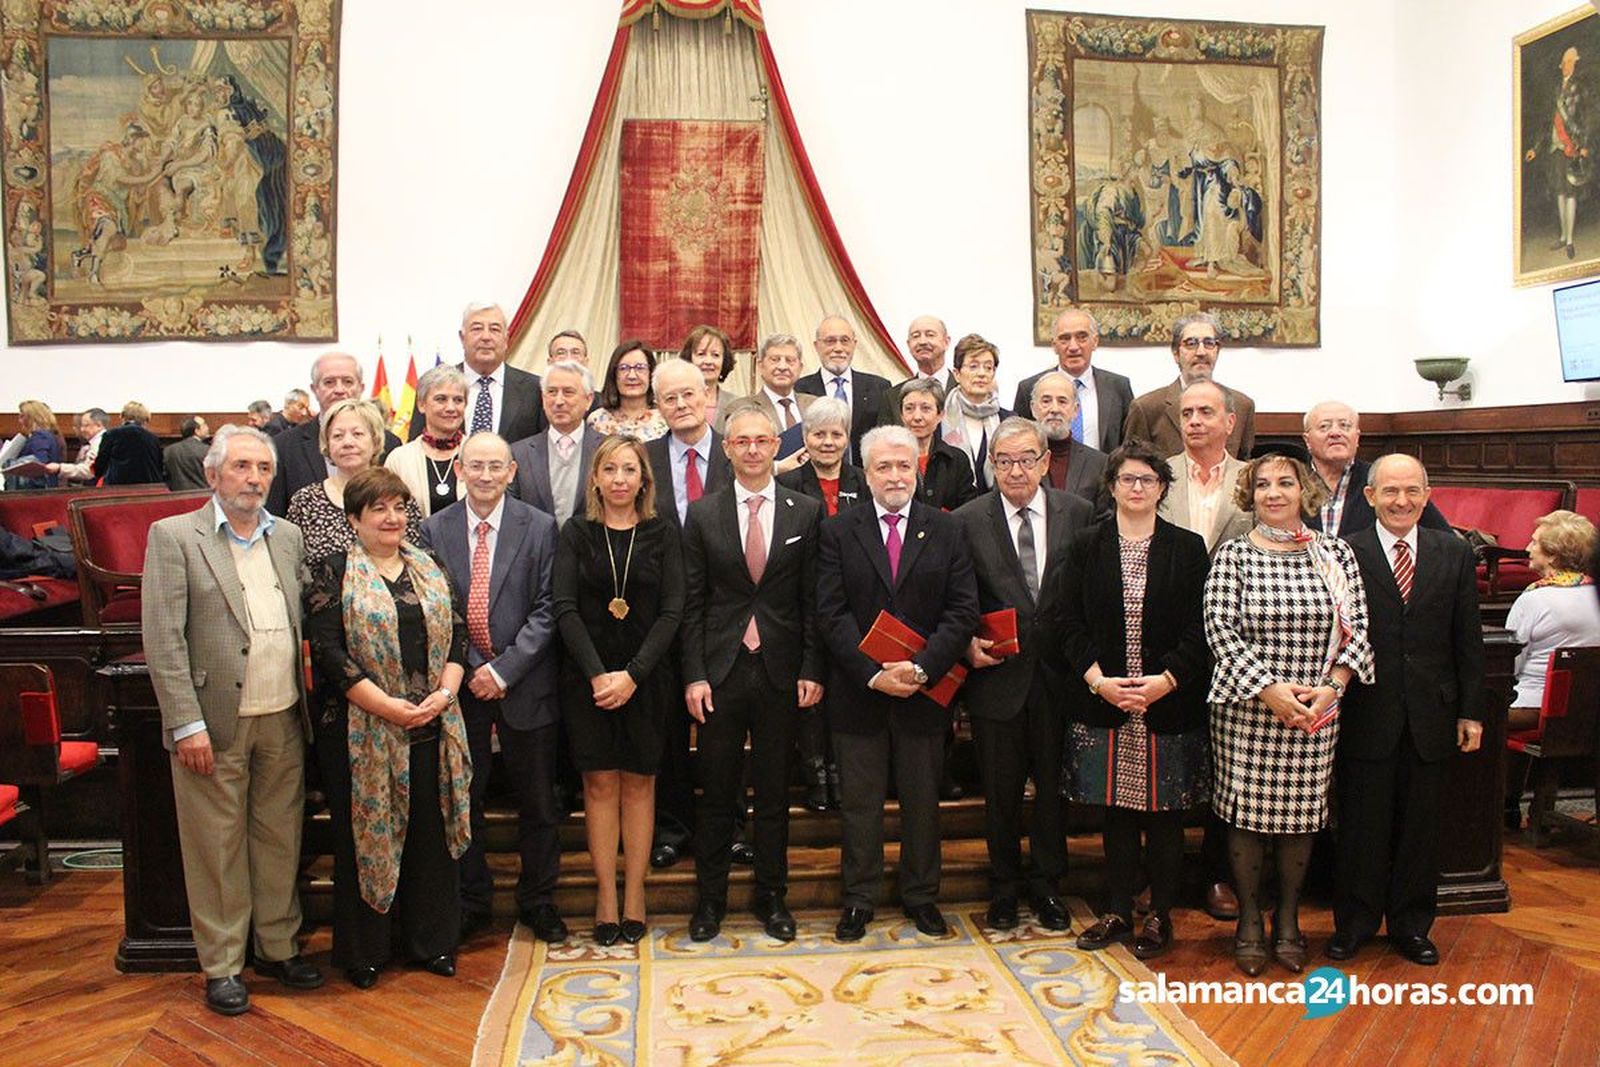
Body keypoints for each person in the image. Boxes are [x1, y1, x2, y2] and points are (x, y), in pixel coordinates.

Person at [141, 425, 323, 1015]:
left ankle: (277, 946)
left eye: (263, 468)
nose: (254, 479)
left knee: (279, 837)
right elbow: (163, 639)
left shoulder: (288, 537)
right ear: (212, 473)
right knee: (215, 847)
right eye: (242, 467)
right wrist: (185, 723)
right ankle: (222, 964)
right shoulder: (175, 536)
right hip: (214, 720)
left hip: (282, 711)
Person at [1204, 454, 1374, 976]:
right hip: (1248, 710)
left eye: (1285, 483)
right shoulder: (1233, 555)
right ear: (1250, 495)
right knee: (1246, 817)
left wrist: (1332, 688)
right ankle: (1249, 919)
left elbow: (1358, 627)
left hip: (1316, 711)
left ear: (1305, 492)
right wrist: (1270, 691)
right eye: (1263, 485)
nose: (1274, 493)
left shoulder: (1335, 554)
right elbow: (1219, 631)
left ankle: (1289, 919)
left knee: (1302, 817)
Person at [1043, 442, 1211, 959]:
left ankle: (1159, 914)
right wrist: (1099, 681)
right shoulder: (1085, 544)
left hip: (1167, 701)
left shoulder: (1188, 548)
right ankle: (1117, 910)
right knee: (1115, 813)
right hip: (1105, 699)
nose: (1137, 488)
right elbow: (1066, 620)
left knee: (1165, 815)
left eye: (1147, 479)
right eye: (1127, 479)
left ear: (1162, 488)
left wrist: (1166, 680)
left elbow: (1201, 627)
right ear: (1112, 487)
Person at [305, 467, 471, 989]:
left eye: (398, 507)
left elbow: (459, 636)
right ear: (354, 519)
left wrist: (444, 696)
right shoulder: (333, 572)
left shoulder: (430, 566)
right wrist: (387, 708)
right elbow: (329, 652)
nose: (391, 517)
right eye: (377, 509)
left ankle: (432, 943)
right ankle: (366, 951)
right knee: (365, 837)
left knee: (429, 833)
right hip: (362, 729)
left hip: (433, 723)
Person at [815, 425, 980, 942]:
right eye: (883, 467)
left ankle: (921, 896)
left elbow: (962, 610)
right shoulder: (838, 531)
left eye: (903, 466)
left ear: (917, 471)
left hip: (923, 693)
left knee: (922, 802)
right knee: (860, 805)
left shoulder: (947, 529)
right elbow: (831, 613)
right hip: (859, 693)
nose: (894, 476)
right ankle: (859, 899)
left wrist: (922, 668)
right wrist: (872, 674)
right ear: (866, 474)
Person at [1331, 454, 1484, 968]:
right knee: (1361, 826)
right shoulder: (1344, 551)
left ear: (1427, 495)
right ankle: (1354, 925)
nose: (1402, 501)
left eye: (1412, 491)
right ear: (1370, 496)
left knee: (1421, 829)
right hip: (1365, 712)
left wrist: (1471, 712)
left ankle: (1412, 927)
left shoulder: (1453, 552)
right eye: (1391, 491)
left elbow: (1467, 638)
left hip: (1432, 715)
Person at [682, 405, 824, 942]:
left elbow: (813, 601)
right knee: (717, 793)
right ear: (727, 448)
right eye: (741, 441)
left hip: (781, 671)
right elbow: (692, 603)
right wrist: (694, 674)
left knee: (773, 795)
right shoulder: (704, 513)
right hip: (720, 671)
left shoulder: (805, 512)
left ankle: (772, 897)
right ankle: (710, 901)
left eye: (762, 440)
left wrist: (812, 666)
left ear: (776, 445)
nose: (752, 450)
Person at [421, 433, 566, 945]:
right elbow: (437, 609)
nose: (485, 475)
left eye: (495, 466)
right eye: (476, 465)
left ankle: (539, 900)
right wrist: (474, 667)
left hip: (527, 685)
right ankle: (472, 901)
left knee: (539, 804)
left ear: (511, 472)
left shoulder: (541, 527)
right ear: (459, 469)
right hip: (461, 687)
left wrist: (504, 670)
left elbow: (549, 608)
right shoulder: (433, 529)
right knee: (466, 798)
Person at [956, 417, 1093, 932]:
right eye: (1005, 461)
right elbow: (956, 595)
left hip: (1060, 677)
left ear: (1044, 462)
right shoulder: (967, 520)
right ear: (992, 465)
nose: (1016, 470)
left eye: (1026, 459)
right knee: (1001, 792)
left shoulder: (1078, 513)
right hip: (997, 679)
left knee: (1054, 791)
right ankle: (1004, 888)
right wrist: (965, 644)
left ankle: (1048, 886)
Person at [554, 435, 684, 944]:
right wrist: (598, 675)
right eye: (610, 469)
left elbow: (672, 611)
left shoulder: (663, 533)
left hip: (646, 681)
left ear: (644, 480)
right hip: (588, 681)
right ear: (595, 478)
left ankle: (636, 894)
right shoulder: (576, 533)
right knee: (600, 784)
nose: (620, 479)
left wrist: (632, 675)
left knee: (640, 784)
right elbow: (565, 607)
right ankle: (606, 895)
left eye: (630, 469)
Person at [642, 358, 730, 868]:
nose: (681, 405)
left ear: (707, 397)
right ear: (658, 405)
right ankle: (672, 829)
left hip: (726, 615)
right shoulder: (643, 459)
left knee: (724, 730)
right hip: (662, 616)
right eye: (669, 398)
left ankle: (728, 828)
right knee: (668, 731)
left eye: (688, 395)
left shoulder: (735, 452)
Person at [778, 396, 869, 810]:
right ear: (805, 437)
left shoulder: (864, 482)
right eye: (819, 434)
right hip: (803, 600)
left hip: (857, 604)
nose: (828, 442)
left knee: (848, 692)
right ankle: (815, 774)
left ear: (847, 438)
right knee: (810, 689)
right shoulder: (788, 484)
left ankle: (842, 774)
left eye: (836, 434)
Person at [286, 398, 423, 566]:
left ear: (375, 440)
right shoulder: (305, 501)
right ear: (327, 444)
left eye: (357, 434)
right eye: (338, 436)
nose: (348, 443)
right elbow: (293, 564)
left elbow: (416, 558)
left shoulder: (397, 497)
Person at [269, 352, 402, 516]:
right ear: (314, 389)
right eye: (329, 382)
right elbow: (276, 518)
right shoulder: (283, 447)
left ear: (361, 388)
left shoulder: (390, 443)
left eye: (347, 381)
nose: (339, 390)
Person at [1505, 510, 1600, 734]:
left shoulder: (1534, 599)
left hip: (1530, 709)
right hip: (1589, 710)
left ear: (1553, 556)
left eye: (1534, 542)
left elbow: (1509, 666)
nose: (1527, 548)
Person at [1301, 401, 1449, 537]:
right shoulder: (1294, 478)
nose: (1335, 433)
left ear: (1357, 437)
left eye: (1345, 426)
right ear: (1307, 440)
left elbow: (1443, 538)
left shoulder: (1382, 477)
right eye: (1324, 426)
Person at [1123, 313, 1256, 458]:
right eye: (1191, 344)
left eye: (1209, 343)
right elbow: (1132, 465)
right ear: (1176, 353)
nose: (1201, 352)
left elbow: (1244, 466)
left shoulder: (1242, 406)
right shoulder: (1146, 409)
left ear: (1217, 351)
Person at [409, 302, 544, 443]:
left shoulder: (535, 389)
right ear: (462, 338)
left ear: (506, 339)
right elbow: (416, 443)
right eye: (477, 329)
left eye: (494, 329)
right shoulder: (433, 385)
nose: (486, 337)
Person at [1013, 308, 1134, 454]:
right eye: (1064, 339)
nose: (1073, 347)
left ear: (1095, 341)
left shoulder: (1118, 387)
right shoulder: (1029, 389)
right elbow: (1018, 443)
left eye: (1082, 337)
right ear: (1054, 346)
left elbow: (1129, 444)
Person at [1159, 381, 1252, 553]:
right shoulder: (1159, 475)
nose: (1194, 421)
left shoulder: (1251, 478)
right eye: (1187, 414)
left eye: (1205, 412)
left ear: (1230, 422)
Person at [510, 360, 603, 528]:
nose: (559, 401)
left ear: (589, 400)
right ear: (543, 398)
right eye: (552, 392)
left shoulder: (607, 449)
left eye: (568, 392)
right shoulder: (518, 453)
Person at [796, 315, 891, 464]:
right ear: (816, 346)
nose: (838, 348)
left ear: (854, 344)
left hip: (867, 474)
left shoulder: (879, 387)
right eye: (830, 341)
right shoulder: (799, 389)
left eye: (845, 341)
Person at [1525, 46, 1590, 261]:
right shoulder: (1554, 90)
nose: (1566, 66)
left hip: (1571, 147)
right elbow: (1547, 123)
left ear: (1575, 64)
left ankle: (1570, 240)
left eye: (1570, 62)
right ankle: (1563, 236)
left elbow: (1584, 119)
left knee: (1570, 193)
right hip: (1555, 148)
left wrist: (1583, 144)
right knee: (1559, 192)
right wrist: (1535, 148)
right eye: (1564, 62)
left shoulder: (1579, 87)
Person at [384, 365, 468, 518]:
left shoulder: (480, 454)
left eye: (458, 400)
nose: (451, 407)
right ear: (421, 405)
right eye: (441, 399)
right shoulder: (399, 459)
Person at [941, 334, 1011, 493]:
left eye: (988, 367)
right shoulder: (941, 420)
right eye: (973, 366)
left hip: (996, 503)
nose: (982, 373)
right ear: (957, 374)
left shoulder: (1008, 421)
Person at [898, 378, 978, 512]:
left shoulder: (956, 460)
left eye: (926, 409)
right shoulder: (888, 458)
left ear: (940, 415)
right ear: (901, 415)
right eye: (909, 409)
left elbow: (968, 511)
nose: (917, 417)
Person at [1030, 371, 1108, 508]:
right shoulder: (1016, 460)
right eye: (1046, 401)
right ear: (1033, 408)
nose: (1054, 409)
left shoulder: (1099, 464)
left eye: (1062, 401)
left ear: (1076, 410)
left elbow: (1104, 516)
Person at [879, 315, 958, 424]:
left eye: (930, 335)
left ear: (946, 342)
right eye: (916, 336)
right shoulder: (892, 397)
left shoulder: (966, 390)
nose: (922, 341)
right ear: (908, 345)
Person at [735, 333, 813, 440]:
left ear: (800, 368)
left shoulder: (815, 405)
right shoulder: (741, 408)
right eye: (775, 360)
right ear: (760, 365)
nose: (782, 367)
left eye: (790, 360)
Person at [588, 340, 668, 440]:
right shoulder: (597, 420)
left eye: (640, 368)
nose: (632, 376)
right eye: (624, 368)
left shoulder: (665, 419)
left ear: (651, 373)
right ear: (614, 375)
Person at [679, 324, 737, 431]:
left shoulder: (736, 404)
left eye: (715, 355)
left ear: (724, 361)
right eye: (701, 354)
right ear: (689, 359)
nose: (708, 361)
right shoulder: (677, 401)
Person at [94, 400, 165, 485]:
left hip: (117, 487)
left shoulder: (111, 434)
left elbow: (100, 466)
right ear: (145, 419)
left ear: (123, 416)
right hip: (148, 487)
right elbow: (159, 466)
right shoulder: (153, 438)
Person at [9, 399, 62, 489]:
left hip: (37, 490)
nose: (19, 421)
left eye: (22, 416)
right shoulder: (46, 435)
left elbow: (39, 463)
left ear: (32, 417)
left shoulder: (40, 436)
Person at [47, 407, 107, 485]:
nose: (82, 429)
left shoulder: (100, 443)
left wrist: (60, 468)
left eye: (86, 425)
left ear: (99, 425)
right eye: (81, 426)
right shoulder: (101, 441)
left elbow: (89, 471)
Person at [164, 416, 211, 491]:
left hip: (176, 495)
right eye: (204, 424)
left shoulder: (168, 450)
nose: (208, 428)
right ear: (197, 431)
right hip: (202, 495)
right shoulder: (207, 450)